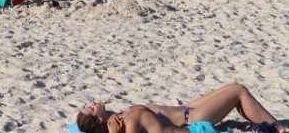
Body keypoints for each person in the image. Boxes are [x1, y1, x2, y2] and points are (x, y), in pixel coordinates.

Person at [76, 83, 285, 133]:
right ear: (99, 120)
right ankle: (277, 128)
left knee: (233, 89)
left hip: (188, 108)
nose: (93, 104)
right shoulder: (123, 124)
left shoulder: (117, 116)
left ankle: (268, 124)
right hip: (191, 118)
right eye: (91, 109)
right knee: (238, 91)